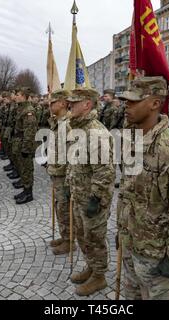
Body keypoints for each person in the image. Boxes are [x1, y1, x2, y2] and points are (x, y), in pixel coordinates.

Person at [118, 77, 169, 299]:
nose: (126, 106)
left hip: (158, 256)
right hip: (132, 245)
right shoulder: (130, 138)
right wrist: (122, 229)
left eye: (133, 101)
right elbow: (127, 190)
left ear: (155, 104)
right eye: (125, 101)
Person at [66, 88, 115, 296]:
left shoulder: (96, 132)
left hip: (93, 199)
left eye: (74, 103)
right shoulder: (78, 128)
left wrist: (95, 198)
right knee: (82, 235)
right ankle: (91, 266)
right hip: (79, 194)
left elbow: (105, 171)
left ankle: (99, 276)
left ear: (87, 104)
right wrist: (71, 184)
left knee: (94, 237)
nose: (70, 106)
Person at [47, 89, 75, 255]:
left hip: (64, 174)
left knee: (65, 208)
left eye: (53, 102)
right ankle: (65, 236)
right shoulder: (57, 122)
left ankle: (70, 240)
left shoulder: (68, 124)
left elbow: (72, 153)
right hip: (57, 172)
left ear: (63, 103)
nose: (49, 105)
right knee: (59, 206)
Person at [12, 87, 38, 204]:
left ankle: (29, 194)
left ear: (23, 96)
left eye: (17, 94)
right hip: (20, 143)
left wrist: (26, 148)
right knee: (23, 168)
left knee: (27, 169)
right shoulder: (21, 109)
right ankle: (25, 189)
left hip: (24, 145)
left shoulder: (29, 110)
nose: (16, 97)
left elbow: (30, 131)